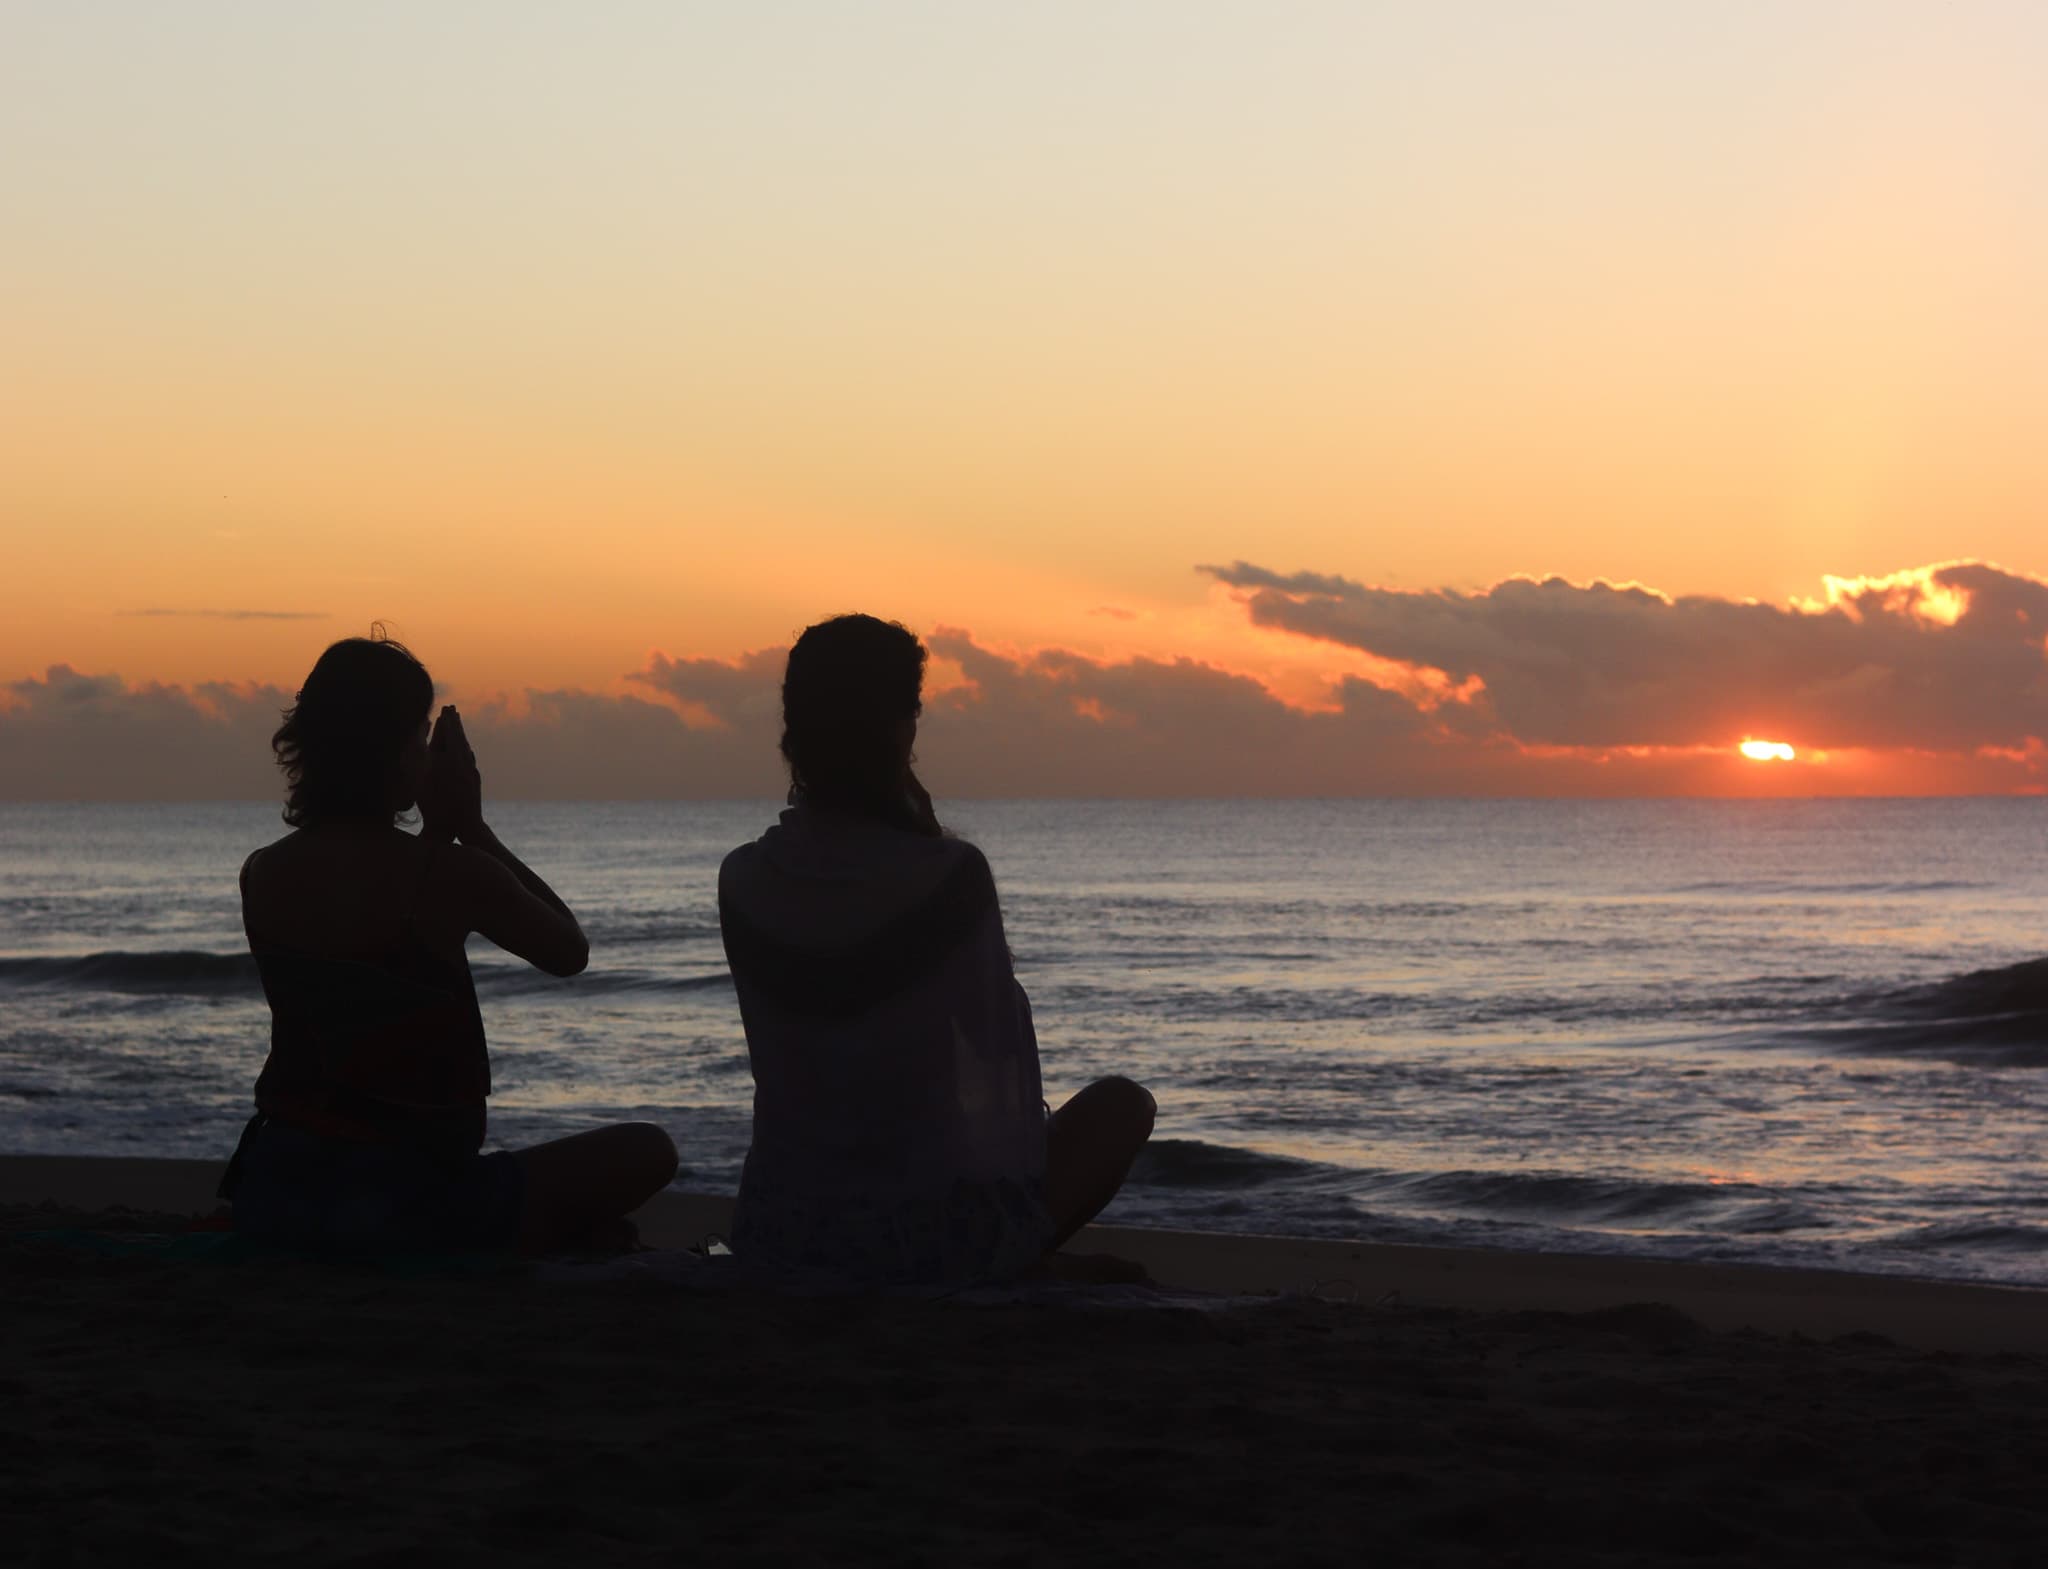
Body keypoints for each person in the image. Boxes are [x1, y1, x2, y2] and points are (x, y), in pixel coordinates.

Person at [718, 613, 1156, 1287]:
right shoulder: (951, 875)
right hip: (919, 1239)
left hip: (783, 1229)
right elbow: (992, 1060)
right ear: (901, 730)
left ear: (793, 730)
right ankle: (1026, 1259)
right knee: (1124, 1105)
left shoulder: (741, 877)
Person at [223, 633, 677, 1254]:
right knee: (648, 1150)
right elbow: (569, 950)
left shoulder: (263, 872)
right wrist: (472, 827)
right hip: (410, 1199)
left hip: (278, 1186)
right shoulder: (448, 876)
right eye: (418, 736)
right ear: (397, 754)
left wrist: (441, 832)